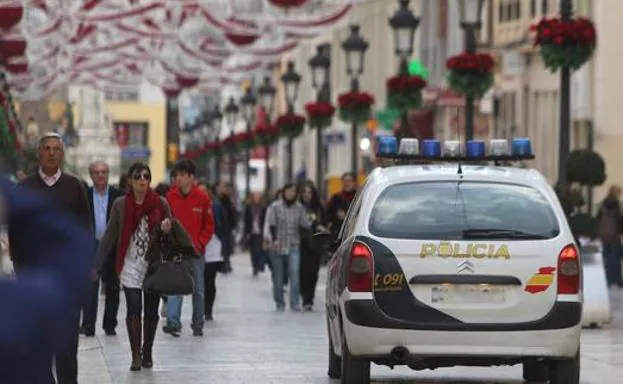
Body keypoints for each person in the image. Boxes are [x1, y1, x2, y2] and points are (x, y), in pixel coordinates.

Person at [9, 132, 92, 384]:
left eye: (56, 148)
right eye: (47, 148)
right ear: (39, 153)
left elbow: (85, 229)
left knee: (67, 345)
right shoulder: (25, 188)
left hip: (66, 281)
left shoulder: (74, 186)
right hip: (33, 278)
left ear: (62, 154)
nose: (51, 153)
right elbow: (16, 232)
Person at [96, 162, 174, 371]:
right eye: (137, 176)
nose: (142, 180)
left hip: (153, 265)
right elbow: (110, 235)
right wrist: (96, 265)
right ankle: (135, 356)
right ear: (130, 180)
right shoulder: (121, 205)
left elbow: (171, 233)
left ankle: (147, 351)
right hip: (130, 264)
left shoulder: (160, 203)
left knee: (151, 311)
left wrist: (167, 229)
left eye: (146, 176)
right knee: (133, 308)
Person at [164, 160, 215, 337]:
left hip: (196, 252)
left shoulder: (203, 199)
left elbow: (209, 226)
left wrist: (200, 243)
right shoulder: (170, 198)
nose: (178, 178)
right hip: (176, 251)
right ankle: (173, 322)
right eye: (176, 175)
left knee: (198, 289)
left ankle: (198, 323)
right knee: (174, 287)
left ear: (191, 178)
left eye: (182, 175)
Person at [81, 161, 124, 337]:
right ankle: (88, 325)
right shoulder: (84, 195)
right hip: (91, 246)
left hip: (111, 246)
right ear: (91, 175)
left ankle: (110, 324)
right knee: (90, 286)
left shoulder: (118, 195)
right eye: (97, 172)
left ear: (108, 174)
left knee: (112, 285)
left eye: (104, 172)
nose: (100, 175)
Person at [263, 183, 311, 311]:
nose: (291, 193)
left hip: (293, 244)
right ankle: (279, 302)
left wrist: (311, 224)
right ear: (284, 192)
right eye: (288, 191)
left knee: (294, 274)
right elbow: (271, 224)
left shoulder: (299, 208)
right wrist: (273, 240)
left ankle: (294, 303)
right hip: (278, 245)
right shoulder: (275, 206)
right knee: (278, 277)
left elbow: (305, 224)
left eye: (293, 191)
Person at [299, 181, 327, 311]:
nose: (307, 195)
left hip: (316, 244)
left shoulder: (318, 207)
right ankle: (305, 297)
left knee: (313, 272)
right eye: (304, 192)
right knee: (303, 271)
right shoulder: (298, 207)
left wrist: (322, 227)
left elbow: (325, 222)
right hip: (302, 243)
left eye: (309, 192)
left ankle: (310, 299)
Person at [204, 183, 225, 321]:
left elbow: (223, 226)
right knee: (199, 283)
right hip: (198, 248)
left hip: (214, 248)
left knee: (210, 281)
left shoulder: (216, 206)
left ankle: (208, 309)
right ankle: (200, 308)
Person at [596, 185, 623, 287]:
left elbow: (598, 218)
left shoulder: (603, 204)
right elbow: (620, 220)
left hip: (604, 234)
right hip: (614, 235)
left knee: (606, 257)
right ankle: (616, 279)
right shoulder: (617, 205)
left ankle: (607, 279)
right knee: (615, 258)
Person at [242, 192, 268, 276]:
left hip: (260, 232)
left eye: (258, 197)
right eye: (255, 197)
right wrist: (246, 233)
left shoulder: (263, 208)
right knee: (252, 251)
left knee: (258, 250)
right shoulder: (248, 207)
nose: (256, 198)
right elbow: (246, 221)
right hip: (251, 232)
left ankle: (258, 266)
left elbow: (266, 220)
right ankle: (254, 266)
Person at [326, 172, 357, 238]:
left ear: (354, 182)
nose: (347, 183)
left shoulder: (358, 197)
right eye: (345, 181)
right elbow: (328, 215)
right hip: (338, 233)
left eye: (349, 181)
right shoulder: (336, 198)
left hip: (354, 233)